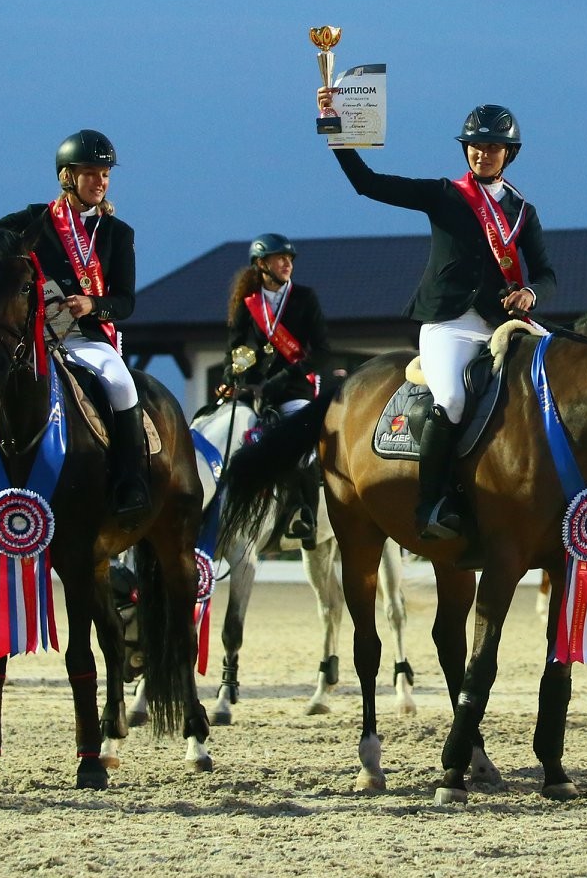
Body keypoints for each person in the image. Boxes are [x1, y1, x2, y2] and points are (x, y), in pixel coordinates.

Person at [318, 89, 555, 543]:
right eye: (476, 146)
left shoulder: (523, 212)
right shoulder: (445, 195)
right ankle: (431, 505)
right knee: (451, 400)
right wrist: (332, 125)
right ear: (466, 149)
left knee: (557, 379)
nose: (482, 154)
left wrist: (530, 291)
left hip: (502, 325)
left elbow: (546, 273)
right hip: (450, 323)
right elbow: (367, 183)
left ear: (509, 154)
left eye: (492, 147)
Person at [0, 129, 149, 523]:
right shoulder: (35, 219)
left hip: (85, 338)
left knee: (122, 384)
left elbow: (125, 301)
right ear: (67, 177)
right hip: (30, 337)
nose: (100, 181)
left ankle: (130, 481)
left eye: (105, 173)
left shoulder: (117, 233)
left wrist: (93, 303)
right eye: (90, 172)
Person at [222, 233, 332, 540]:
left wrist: (284, 378)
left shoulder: (304, 298)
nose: (287, 264)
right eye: (280, 258)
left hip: (295, 388)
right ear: (262, 264)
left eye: (289, 259)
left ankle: (303, 512)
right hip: (256, 390)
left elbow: (322, 351)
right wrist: (230, 377)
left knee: (301, 450)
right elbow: (235, 347)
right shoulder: (248, 303)